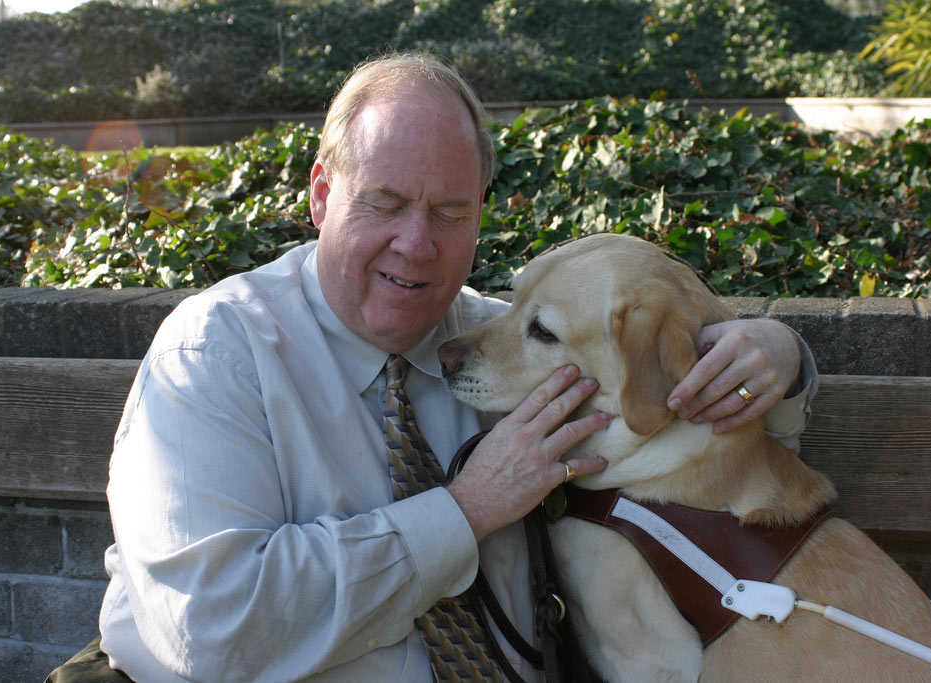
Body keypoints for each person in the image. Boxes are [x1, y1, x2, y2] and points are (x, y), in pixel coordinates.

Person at [49, 52, 817, 682]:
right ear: (322, 195)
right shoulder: (215, 353)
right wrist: (465, 511)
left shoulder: (500, 343)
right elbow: (211, 626)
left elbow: (669, 394)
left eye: (450, 212)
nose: (417, 245)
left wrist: (775, 354)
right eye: (383, 203)